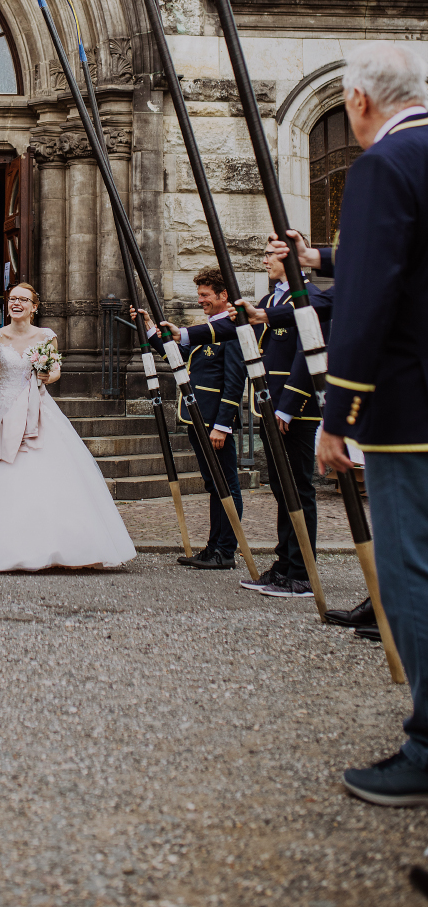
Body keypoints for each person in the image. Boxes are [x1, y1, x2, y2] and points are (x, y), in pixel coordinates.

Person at [297, 43, 428, 807]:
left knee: (409, 572)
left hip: (409, 414)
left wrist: (336, 414)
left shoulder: (384, 165)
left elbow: (368, 297)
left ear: (355, 103)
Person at [0, 283, 136, 571]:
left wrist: (47, 376)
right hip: (2, 406)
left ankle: (58, 546)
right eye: (12, 298)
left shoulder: (46, 336)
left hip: (38, 408)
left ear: (34, 306)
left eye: (23, 300)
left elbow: (55, 370)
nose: (16, 303)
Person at [181, 238, 331, 599]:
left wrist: (288, 405)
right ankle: (284, 563)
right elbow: (233, 329)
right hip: (269, 406)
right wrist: (183, 333)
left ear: (295, 260)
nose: (264, 260)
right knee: (282, 490)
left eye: (270, 255)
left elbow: (307, 351)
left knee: (298, 489)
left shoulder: (308, 297)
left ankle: (302, 572)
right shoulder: (268, 301)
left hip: (292, 409)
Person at [133, 266, 246, 571]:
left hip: (214, 422)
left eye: (205, 295)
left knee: (227, 485)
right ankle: (213, 547)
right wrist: (148, 328)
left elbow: (235, 381)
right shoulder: (207, 327)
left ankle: (226, 550)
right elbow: (174, 356)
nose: (201, 300)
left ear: (224, 296)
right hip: (196, 416)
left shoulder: (233, 329)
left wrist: (223, 424)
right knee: (213, 484)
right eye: (199, 295)